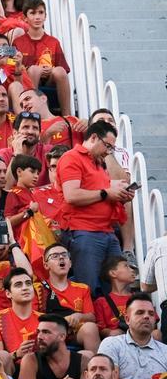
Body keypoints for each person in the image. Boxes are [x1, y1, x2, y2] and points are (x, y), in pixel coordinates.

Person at [57, 121, 135, 291]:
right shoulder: (72, 157)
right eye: (107, 145)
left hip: (106, 232)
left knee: (119, 287)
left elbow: (102, 192)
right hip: (84, 232)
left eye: (112, 148)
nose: (108, 151)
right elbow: (72, 195)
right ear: (93, 137)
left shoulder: (98, 164)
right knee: (88, 288)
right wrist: (106, 193)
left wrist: (120, 195)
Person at [97, 293, 167, 379]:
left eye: (151, 314)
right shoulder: (112, 343)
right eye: (140, 312)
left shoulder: (165, 351)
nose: (146, 317)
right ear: (127, 319)